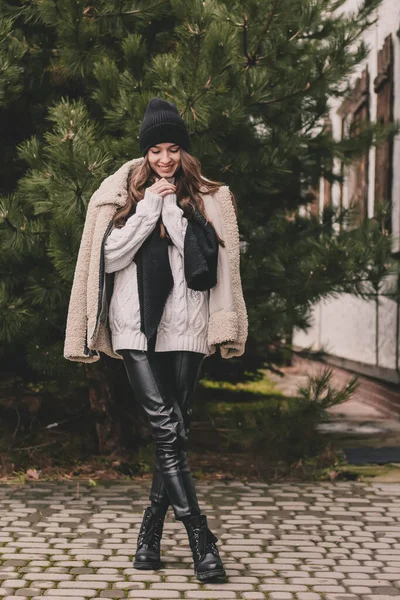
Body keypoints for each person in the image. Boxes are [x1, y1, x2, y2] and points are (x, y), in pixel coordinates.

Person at [63, 97, 248, 582]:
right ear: (144, 154)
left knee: (175, 433)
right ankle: (200, 539)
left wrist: (175, 209)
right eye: (154, 151)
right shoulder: (121, 194)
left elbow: (206, 264)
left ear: (183, 152)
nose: (163, 159)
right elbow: (108, 258)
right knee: (167, 430)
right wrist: (149, 208)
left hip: (187, 327)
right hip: (135, 328)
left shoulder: (207, 197)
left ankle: (148, 535)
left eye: (171, 149)